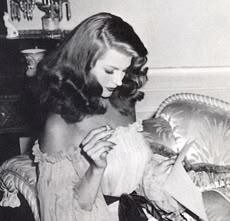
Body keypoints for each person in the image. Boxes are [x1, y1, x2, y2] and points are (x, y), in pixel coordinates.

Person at [31, 12, 194, 221]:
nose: (118, 81)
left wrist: (157, 173)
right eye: (110, 70)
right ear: (83, 62)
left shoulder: (122, 102)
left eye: (124, 70)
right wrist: (96, 169)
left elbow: (129, 172)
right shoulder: (59, 124)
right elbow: (60, 215)